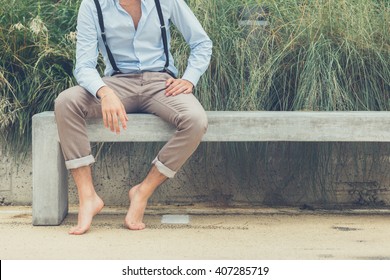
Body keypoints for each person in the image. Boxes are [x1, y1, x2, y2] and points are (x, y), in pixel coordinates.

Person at [54, 0, 212, 235]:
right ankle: (88, 197)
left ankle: (143, 191)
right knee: (66, 102)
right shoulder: (93, 5)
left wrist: (189, 79)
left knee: (195, 120)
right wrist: (104, 92)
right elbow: (84, 66)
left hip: (162, 84)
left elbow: (201, 43)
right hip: (116, 83)